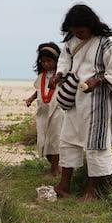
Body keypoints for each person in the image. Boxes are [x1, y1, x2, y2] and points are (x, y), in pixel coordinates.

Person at [48, 4, 112, 201]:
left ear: (91, 25)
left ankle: (93, 191)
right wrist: (59, 75)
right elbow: (65, 61)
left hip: (98, 101)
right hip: (75, 98)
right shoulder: (71, 40)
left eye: (81, 31)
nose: (78, 35)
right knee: (68, 139)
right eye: (75, 31)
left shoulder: (107, 43)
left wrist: (99, 80)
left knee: (96, 145)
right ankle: (64, 185)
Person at [26, 42, 64, 178]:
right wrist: (31, 98)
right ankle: (57, 166)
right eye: (43, 61)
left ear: (57, 60)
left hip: (57, 111)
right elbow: (39, 91)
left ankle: (54, 171)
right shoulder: (41, 76)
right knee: (43, 140)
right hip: (43, 112)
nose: (46, 64)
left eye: (49, 61)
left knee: (54, 140)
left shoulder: (60, 77)